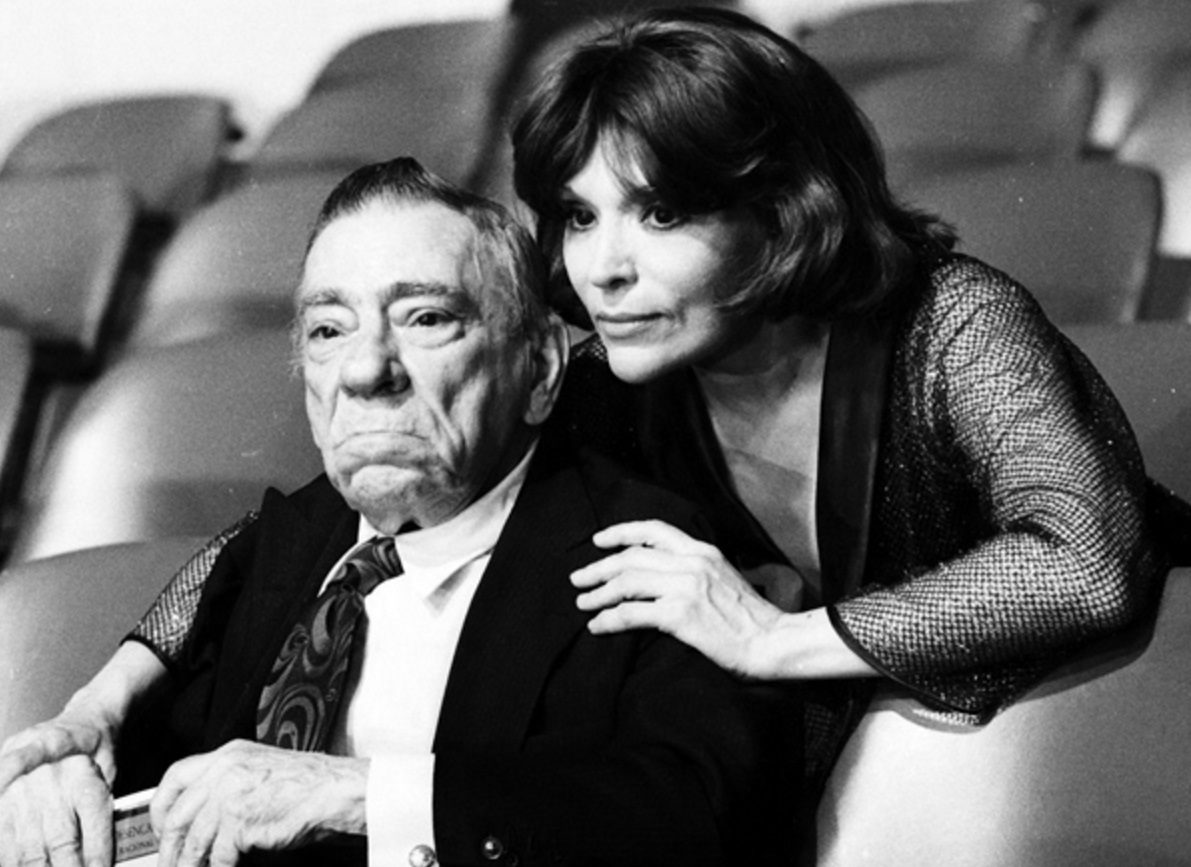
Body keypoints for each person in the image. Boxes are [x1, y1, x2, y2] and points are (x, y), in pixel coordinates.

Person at [0, 157, 800, 867]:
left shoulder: (647, 555)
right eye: (328, 329)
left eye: (425, 318)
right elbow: (152, 761)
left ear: (540, 368)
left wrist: (359, 795)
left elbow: (693, 818)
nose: (365, 369)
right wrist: (63, 782)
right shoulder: (290, 541)